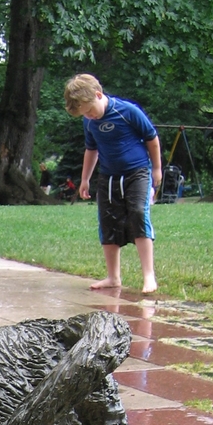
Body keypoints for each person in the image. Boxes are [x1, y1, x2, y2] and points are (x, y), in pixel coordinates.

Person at [64, 73, 161, 294]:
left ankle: (149, 276)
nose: (89, 116)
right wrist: (85, 179)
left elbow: (152, 139)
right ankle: (113, 277)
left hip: (137, 172)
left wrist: (156, 168)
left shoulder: (127, 111)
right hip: (108, 176)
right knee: (107, 222)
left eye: (89, 110)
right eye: (84, 114)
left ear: (98, 95)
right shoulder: (89, 122)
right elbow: (91, 150)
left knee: (138, 213)